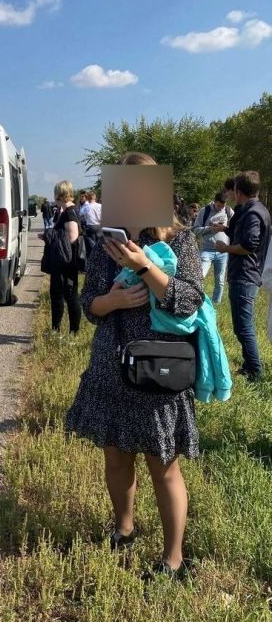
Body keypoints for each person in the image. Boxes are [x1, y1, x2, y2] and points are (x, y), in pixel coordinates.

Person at [66, 152, 204, 578]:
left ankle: (174, 559)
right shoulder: (105, 241)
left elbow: (189, 301)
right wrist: (113, 300)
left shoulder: (180, 241)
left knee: (163, 466)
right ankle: (123, 529)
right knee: (115, 459)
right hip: (112, 364)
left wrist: (143, 266)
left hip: (159, 369)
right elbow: (89, 304)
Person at [215, 171, 271, 381]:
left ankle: (255, 371)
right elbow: (242, 235)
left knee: (244, 326)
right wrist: (225, 229)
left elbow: (249, 244)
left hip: (245, 275)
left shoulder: (254, 213)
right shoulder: (249, 210)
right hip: (243, 274)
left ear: (238, 191)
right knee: (240, 325)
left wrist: (224, 249)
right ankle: (249, 366)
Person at [40, 180, 81, 337]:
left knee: (69, 297)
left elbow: (72, 237)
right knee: (59, 295)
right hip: (63, 261)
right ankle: (57, 330)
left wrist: (49, 235)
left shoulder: (70, 212)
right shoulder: (66, 211)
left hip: (66, 262)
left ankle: (72, 333)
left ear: (60, 193)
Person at [192, 191, 234, 305]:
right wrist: (211, 228)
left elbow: (236, 228)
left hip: (223, 252)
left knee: (220, 281)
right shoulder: (204, 211)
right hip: (206, 250)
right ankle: (196, 301)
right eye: (219, 205)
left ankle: (216, 303)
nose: (221, 208)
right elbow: (195, 229)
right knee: (200, 276)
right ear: (214, 202)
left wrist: (225, 228)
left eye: (223, 206)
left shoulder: (229, 211)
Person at [79, 191, 102, 258]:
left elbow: (80, 213)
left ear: (88, 198)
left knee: (91, 245)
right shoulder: (100, 206)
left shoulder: (86, 207)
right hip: (99, 226)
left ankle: (93, 258)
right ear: (95, 197)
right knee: (100, 244)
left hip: (90, 227)